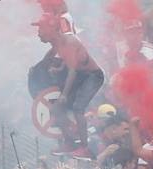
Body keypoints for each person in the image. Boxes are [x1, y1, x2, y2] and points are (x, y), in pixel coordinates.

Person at [34, 13, 104, 155]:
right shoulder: (57, 43)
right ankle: (70, 143)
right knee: (55, 110)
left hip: (92, 77)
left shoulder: (69, 42)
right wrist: (40, 68)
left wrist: (64, 95)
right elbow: (54, 56)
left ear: (52, 28)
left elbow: (72, 71)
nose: (38, 33)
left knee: (78, 108)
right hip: (80, 77)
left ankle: (85, 149)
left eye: (41, 29)